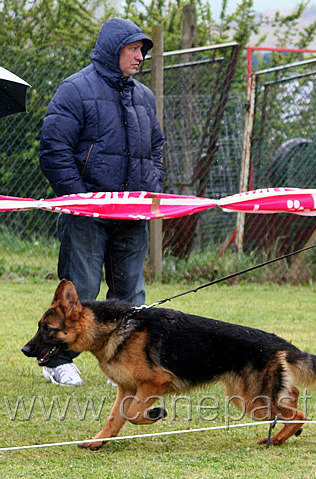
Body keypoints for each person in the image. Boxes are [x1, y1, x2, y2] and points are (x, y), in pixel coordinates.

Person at [38, 18, 165, 386]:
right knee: (80, 289)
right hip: (86, 214)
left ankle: (125, 363)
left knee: (130, 294)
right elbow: (54, 150)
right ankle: (57, 360)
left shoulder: (144, 96)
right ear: (114, 50)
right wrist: (80, 198)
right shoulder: (75, 90)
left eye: (142, 49)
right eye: (133, 48)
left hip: (132, 212)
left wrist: (149, 186)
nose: (140, 56)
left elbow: (155, 148)